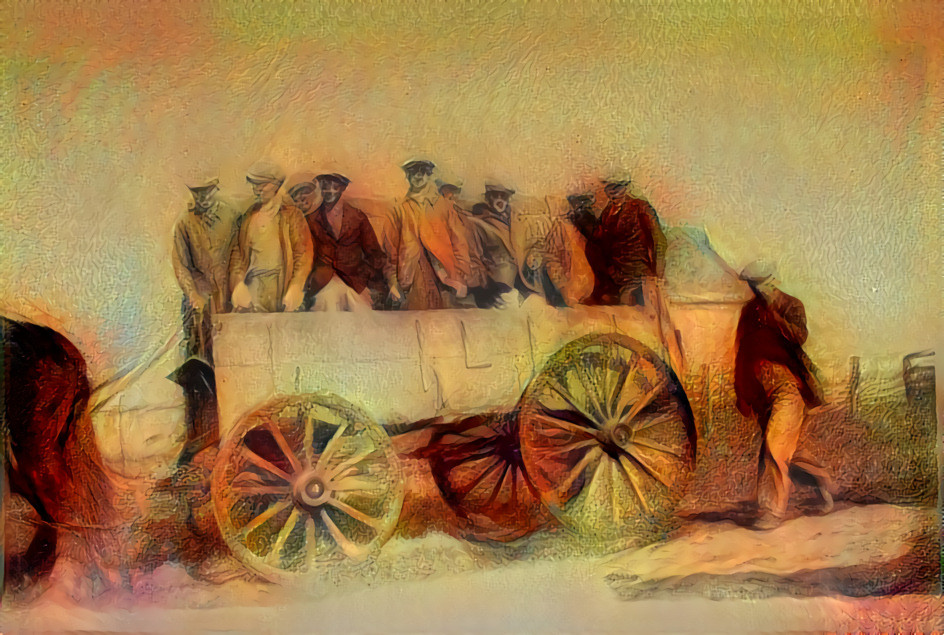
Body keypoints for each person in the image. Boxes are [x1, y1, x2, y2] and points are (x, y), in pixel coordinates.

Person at [733, 261, 835, 530]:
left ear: (774, 279)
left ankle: (771, 511)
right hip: (761, 393)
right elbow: (742, 351)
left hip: (788, 389)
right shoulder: (748, 312)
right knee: (781, 450)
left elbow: (798, 337)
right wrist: (741, 392)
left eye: (763, 282)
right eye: (753, 284)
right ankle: (818, 480)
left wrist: (774, 315)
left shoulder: (790, 305)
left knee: (775, 446)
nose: (758, 288)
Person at [229, 160, 313, 312]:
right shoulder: (249, 216)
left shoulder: (292, 215)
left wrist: (296, 286)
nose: (257, 190)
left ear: (276, 185)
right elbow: (237, 255)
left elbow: (303, 255)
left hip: (281, 286)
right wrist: (238, 284)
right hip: (253, 288)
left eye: (263, 185)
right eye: (255, 185)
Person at [171, 176, 239, 360]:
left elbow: (240, 254)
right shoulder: (184, 223)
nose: (202, 198)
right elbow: (181, 266)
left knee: (229, 352)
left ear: (215, 189)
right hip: (199, 300)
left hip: (227, 296)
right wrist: (192, 294)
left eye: (207, 192)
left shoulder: (231, 215)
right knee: (197, 353)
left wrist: (237, 287)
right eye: (197, 194)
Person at [305, 172, 388, 311]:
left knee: (362, 313)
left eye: (335, 186)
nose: (329, 191)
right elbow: (306, 256)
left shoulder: (358, 217)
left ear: (343, 188)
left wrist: (379, 285)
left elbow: (374, 253)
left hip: (355, 280)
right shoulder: (311, 219)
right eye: (325, 186)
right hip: (323, 281)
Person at [585, 175, 667, 306]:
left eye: (617, 188)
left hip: (636, 271)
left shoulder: (640, 207)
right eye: (610, 189)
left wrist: (658, 273)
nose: (613, 193)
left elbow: (658, 239)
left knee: (632, 303)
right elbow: (599, 240)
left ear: (625, 188)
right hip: (613, 272)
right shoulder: (607, 212)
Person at [392, 159, 448, 310]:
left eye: (423, 172)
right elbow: (394, 244)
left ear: (429, 175)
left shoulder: (439, 204)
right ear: (408, 177)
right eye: (413, 172)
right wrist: (394, 280)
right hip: (413, 267)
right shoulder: (401, 207)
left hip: (440, 265)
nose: (418, 176)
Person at [463, 181, 521, 308]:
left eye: (504, 196)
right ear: (488, 198)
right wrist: (485, 290)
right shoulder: (476, 223)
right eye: (495, 195)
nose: (500, 199)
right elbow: (473, 259)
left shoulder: (514, 221)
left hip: (516, 288)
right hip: (495, 290)